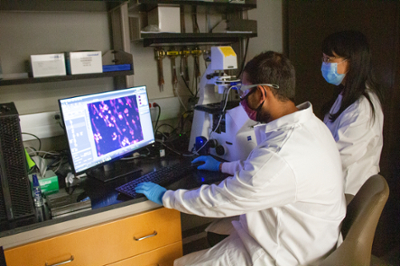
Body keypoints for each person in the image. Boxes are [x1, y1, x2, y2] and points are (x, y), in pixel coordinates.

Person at [136, 51, 346, 265]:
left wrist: (167, 197)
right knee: (216, 234)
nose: (242, 100)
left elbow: (220, 200)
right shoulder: (312, 126)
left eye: (244, 92)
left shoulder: (281, 154)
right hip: (308, 235)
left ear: (262, 93)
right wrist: (222, 166)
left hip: (286, 252)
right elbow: (261, 170)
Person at [320, 30, 384, 201]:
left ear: (352, 62)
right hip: (336, 184)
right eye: (323, 59)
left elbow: (340, 156)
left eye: (329, 60)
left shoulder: (362, 107)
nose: (324, 65)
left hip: (349, 192)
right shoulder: (345, 96)